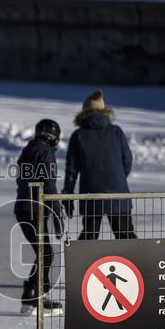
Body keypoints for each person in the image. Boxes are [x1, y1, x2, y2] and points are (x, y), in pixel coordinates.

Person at [62, 90, 137, 240]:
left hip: (91, 193)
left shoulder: (78, 136)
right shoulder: (116, 132)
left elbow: (71, 170)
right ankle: (138, 262)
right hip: (118, 193)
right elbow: (127, 160)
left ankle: (83, 263)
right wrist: (118, 179)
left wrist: (67, 197)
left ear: (84, 112)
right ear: (104, 110)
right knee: (126, 236)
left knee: (89, 238)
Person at [15, 119, 64, 316]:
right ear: (54, 138)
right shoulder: (45, 152)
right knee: (46, 253)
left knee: (44, 252)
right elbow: (49, 184)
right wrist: (57, 214)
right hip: (34, 208)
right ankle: (37, 297)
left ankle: (30, 295)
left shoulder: (28, 149)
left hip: (23, 207)